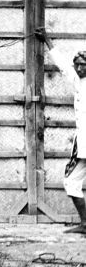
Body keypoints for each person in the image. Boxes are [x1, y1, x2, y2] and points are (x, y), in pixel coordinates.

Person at [36, 28, 86, 234]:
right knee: (71, 182)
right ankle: (85, 225)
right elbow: (63, 66)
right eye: (78, 65)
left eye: (83, 65)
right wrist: (47, 39)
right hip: (82, 144)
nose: (79, 69)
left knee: (71, 181)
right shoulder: (77, 81)